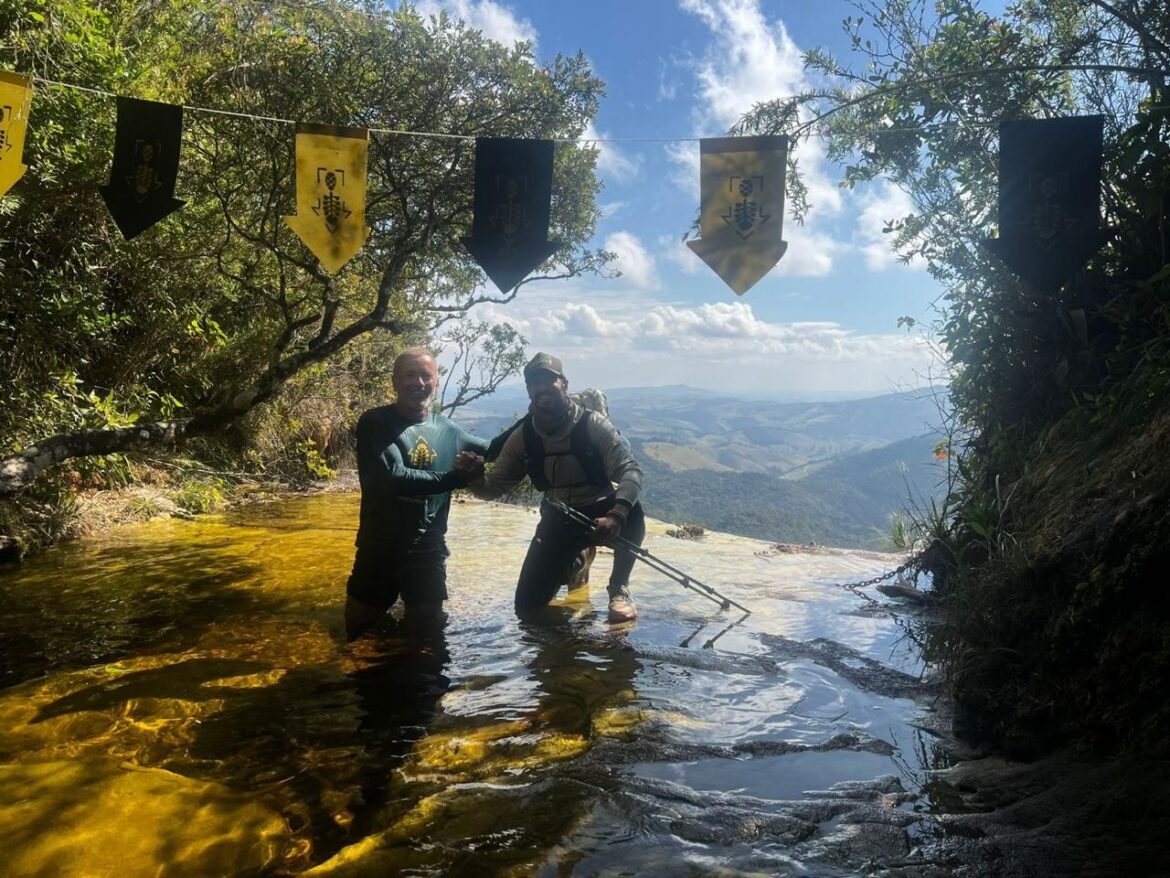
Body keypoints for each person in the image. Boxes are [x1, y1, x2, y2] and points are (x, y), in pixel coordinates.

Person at [457, 352, 646, 622]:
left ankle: (619, 588)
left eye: (549, 380)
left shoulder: (591, 424)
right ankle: (575, 562)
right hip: (559, 515)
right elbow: (494, 487)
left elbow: (631, 470)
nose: (542, 387)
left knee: (633, 512)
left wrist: (616, 515)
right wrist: (474, 478)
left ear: (564, 384)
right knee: (527, 606)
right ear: (528, 389)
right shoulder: (524, 436)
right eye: (534, 382)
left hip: (601, 508)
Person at [344, 347, 490, 641]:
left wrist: (534, 420)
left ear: (436, 383)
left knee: (426, 638)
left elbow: (496, 447)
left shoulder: (447, 429)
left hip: (428, 551)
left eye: (426, 376)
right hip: (380, 548)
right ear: (395, 382)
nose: (418, 382)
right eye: (410, 375)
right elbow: (393, 478)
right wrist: (457, 478)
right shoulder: (375, 423)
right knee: (358, 631)